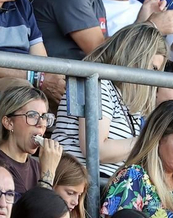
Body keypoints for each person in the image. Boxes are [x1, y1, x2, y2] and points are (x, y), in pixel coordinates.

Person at [55, 22, 167, 176]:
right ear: (136, 58)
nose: (153, 77)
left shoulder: (129, 100)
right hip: (78, 181)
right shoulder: (97, 83)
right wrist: (149, 141)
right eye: (152, 68)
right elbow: (95, 149)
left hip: (105, 183)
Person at [0, 84, 61, 197]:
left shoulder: (36, 166)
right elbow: (37, 209)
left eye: (44, 117)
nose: (41, 123)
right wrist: (48, 175)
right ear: (8, 123)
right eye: (32, 115)